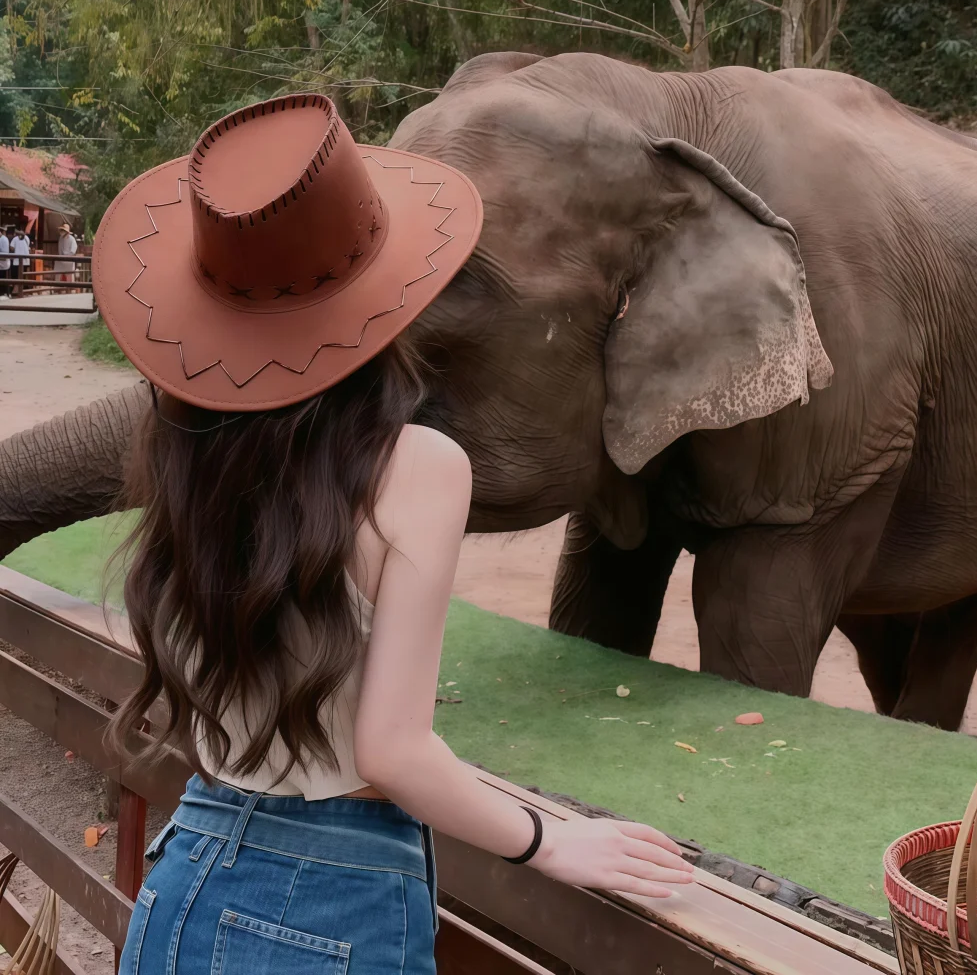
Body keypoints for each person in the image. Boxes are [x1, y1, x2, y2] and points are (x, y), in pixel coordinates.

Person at [99, 94, 692, 975]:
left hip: (188, 872)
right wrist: (547, 840)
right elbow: (389, 749)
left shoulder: (188, 455)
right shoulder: (419, 465)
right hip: (326, 901)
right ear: (389, 293)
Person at [55, 222, 78, 287]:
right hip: (61, 258)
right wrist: (61, 256)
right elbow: (59, 248)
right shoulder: (61, 238)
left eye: (63, 230)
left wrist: (67, 256)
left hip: (68, 259)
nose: (62, 232)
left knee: (69, 274)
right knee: (58, 271)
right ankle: (57, 286)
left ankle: (70, 287)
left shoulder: (72, 239)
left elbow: (73, 250)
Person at [0, 225, 9, 297]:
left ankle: (3, 293)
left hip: (2, 262)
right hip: (4, 262)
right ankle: (5, 293)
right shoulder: (5, 238)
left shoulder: (2, 239)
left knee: (2, 278)